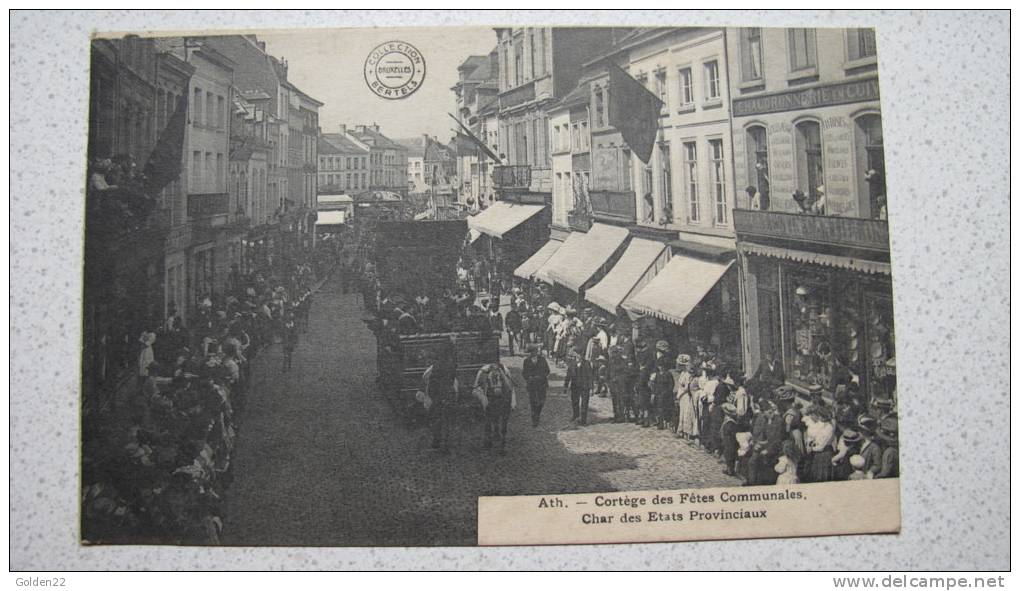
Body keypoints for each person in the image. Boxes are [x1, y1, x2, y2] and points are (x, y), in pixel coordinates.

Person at [474, 362, 516, 454]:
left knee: (510, 388)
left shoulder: (504, 370)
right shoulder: (483, 372)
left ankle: (503, 442)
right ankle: (487, 440)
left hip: (502, 392)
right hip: (490, 394)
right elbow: (477, 387)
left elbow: (509, 387)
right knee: (488, 418)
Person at [424, 348, 460, 454]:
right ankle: (445, 443)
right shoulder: (449, 369)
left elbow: (432, 386)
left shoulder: (436, 370)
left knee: (438, 421)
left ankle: (438, 443)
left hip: (441, 398)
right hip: (446, 397)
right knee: (446, 422)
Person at [748, 399, 785, 486]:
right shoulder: (764, 418)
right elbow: (761, 434)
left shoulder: (778, 421)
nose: (769, 414)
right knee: (752, 461)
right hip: (764, 445)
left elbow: (777, 440)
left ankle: (755, 483)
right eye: (767, 412)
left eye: (770, 411)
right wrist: (758, 443)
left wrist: (768, 449)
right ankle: (752, 482)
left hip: (774, 449)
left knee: (759, 462)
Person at [522, 345, 550, 427]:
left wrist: (541, 376)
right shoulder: (526, 361)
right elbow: (524, 373)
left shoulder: (542, 360)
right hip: (532, 385)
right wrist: (529, 377)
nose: (535, 353)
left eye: (536, 351)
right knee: (533, 401)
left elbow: (547, 371)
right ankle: (534, 418)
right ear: (530, 352)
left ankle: (537, 413)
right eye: (533, 351)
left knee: (541, 401)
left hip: (542, 384)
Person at [563, 350, 594, 425]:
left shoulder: (587, 363)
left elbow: (590, 376)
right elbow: (568, 376)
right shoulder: (572, 364)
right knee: (575, 402)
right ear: (575, 355)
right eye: (578, 354)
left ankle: (583, 420)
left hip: (585, 387)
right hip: (575, 387)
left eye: (581, 354)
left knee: (584, 403)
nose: (580, 356)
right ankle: (576, 415)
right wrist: (565, 386)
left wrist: (591, 388)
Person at [673, 357, 698, 439]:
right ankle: (680, 430)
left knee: (686, 413)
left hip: (686, 395)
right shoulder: (682, 373)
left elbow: (687, 387)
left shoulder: (687, 374)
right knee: (681, 413)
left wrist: (681, 393)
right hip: (681, 395)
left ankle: (687, 431)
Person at [719, 402, 740, 476]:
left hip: (730, 441)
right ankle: (728, 468)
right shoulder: (728, 421)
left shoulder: (731, 423)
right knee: (727, 454)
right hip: (727, 440)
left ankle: (730, 469)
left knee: (730, 454)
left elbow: (731, 433)